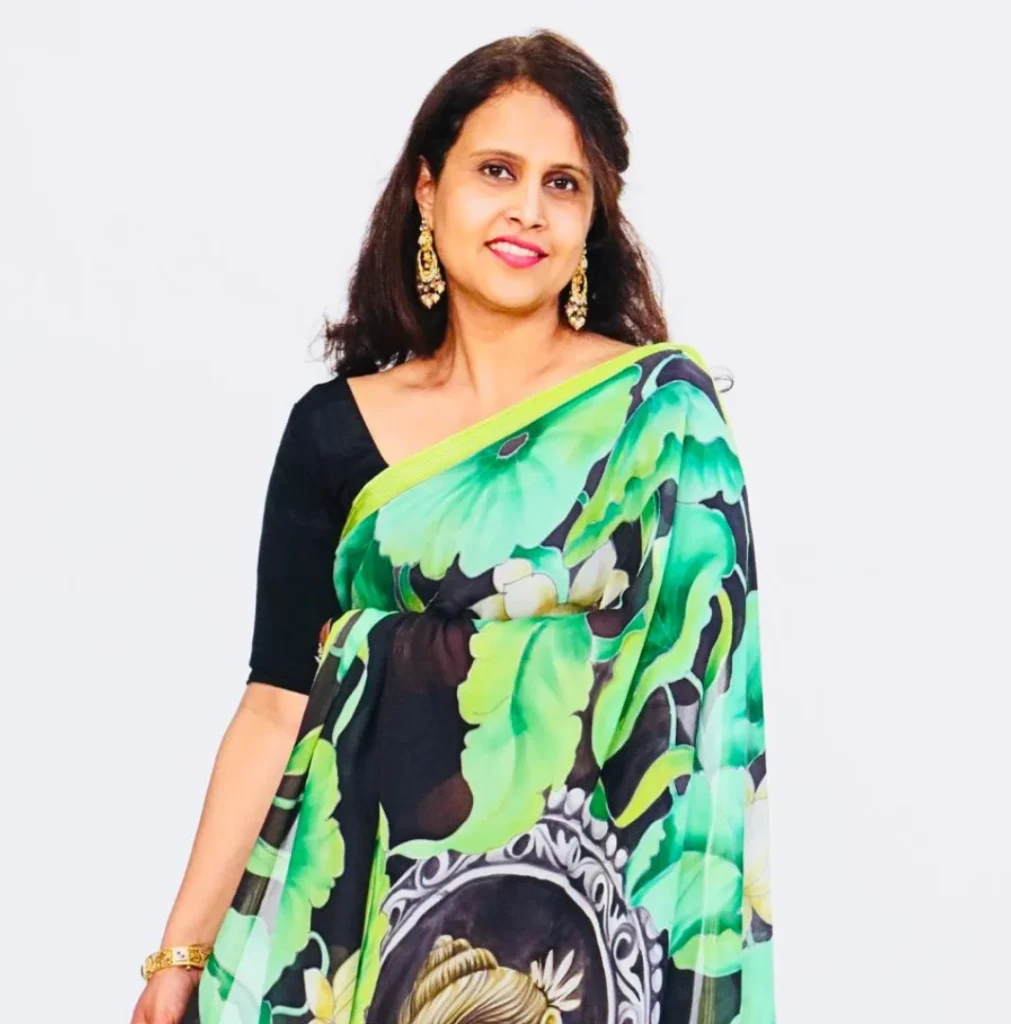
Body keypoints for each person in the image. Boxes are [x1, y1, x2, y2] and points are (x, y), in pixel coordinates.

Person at [130, 29, 776, 1024]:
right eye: (496, 171)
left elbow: (708, 710)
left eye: (563, 184)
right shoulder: (334, 432)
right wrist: (181, 951)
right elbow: (276, 703)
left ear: (593, 220)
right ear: (428, 192)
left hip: (587, 956)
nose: (528, 209)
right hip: (364, 938)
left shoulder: (661, 422)